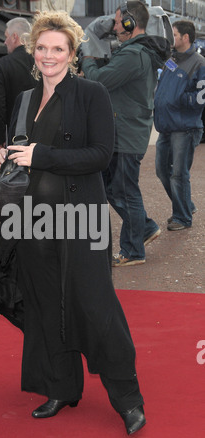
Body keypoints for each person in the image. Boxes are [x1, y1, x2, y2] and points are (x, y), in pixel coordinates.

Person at [0, 10, 146, 436]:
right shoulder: (24, 98)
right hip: (32, 219)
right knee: (43, 305)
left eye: (57, 49)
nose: (48, 55)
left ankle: (128, 399)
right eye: (41, 47)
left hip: (82, 217)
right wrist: (2, 156)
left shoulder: (92, 93)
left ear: (72, 53)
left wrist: (42, 155)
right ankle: (60, 387)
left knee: (95, 306)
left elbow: (101, 154)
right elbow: (19, 151)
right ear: (32, 50)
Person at [81, 1, 171, 266]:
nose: (115, 27)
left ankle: (133, 251)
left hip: (126, 133)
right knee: (114, 188)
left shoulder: (133, 54)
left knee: (123, 191)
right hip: (124, 131)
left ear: (132, 23)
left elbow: (100, 80)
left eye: (120, 22)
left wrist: (88, 60)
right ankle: (144, 228)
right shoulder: (135, 51)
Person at [154, 20, 205, 231]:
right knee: (162, 170)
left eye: (174, 34)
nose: (171, 38)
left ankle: (182, 217)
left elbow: (201, 98)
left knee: (179, 174)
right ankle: (186, 206)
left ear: (185, 37)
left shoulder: (199, 63)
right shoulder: (172, 60)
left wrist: (179, 100)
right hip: (167, 124)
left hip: (184, 127)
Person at [0, 17, 36, 149]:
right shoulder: (42, 61)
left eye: (6, 37)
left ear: (15, 37)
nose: (5, 42)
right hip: (45, 129)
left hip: (15, 133)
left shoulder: (2, 65)